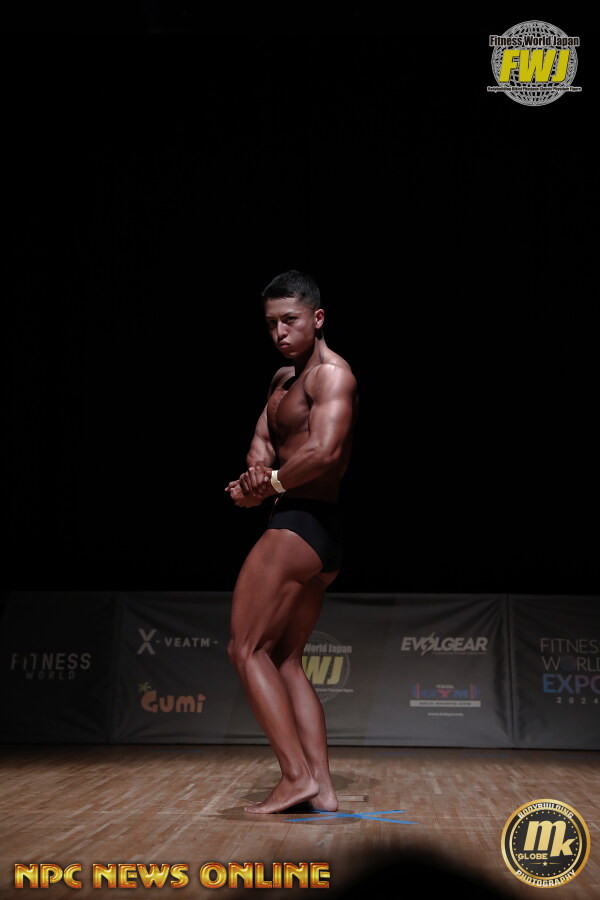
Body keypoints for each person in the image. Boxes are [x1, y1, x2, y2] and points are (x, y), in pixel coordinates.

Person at [225, 270, 358, 814]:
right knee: (283, 659)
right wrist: (254, 477)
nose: (280, 332)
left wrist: (271, 486)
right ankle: (321, 789)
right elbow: (263, 441)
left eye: (290, 320)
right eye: (271, 324)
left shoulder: (332, 376)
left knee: (245, 648)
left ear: (317, 318)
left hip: (303, 523)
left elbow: (324, 452)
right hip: (312, 534)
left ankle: (294, 776)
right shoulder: (282, 379)